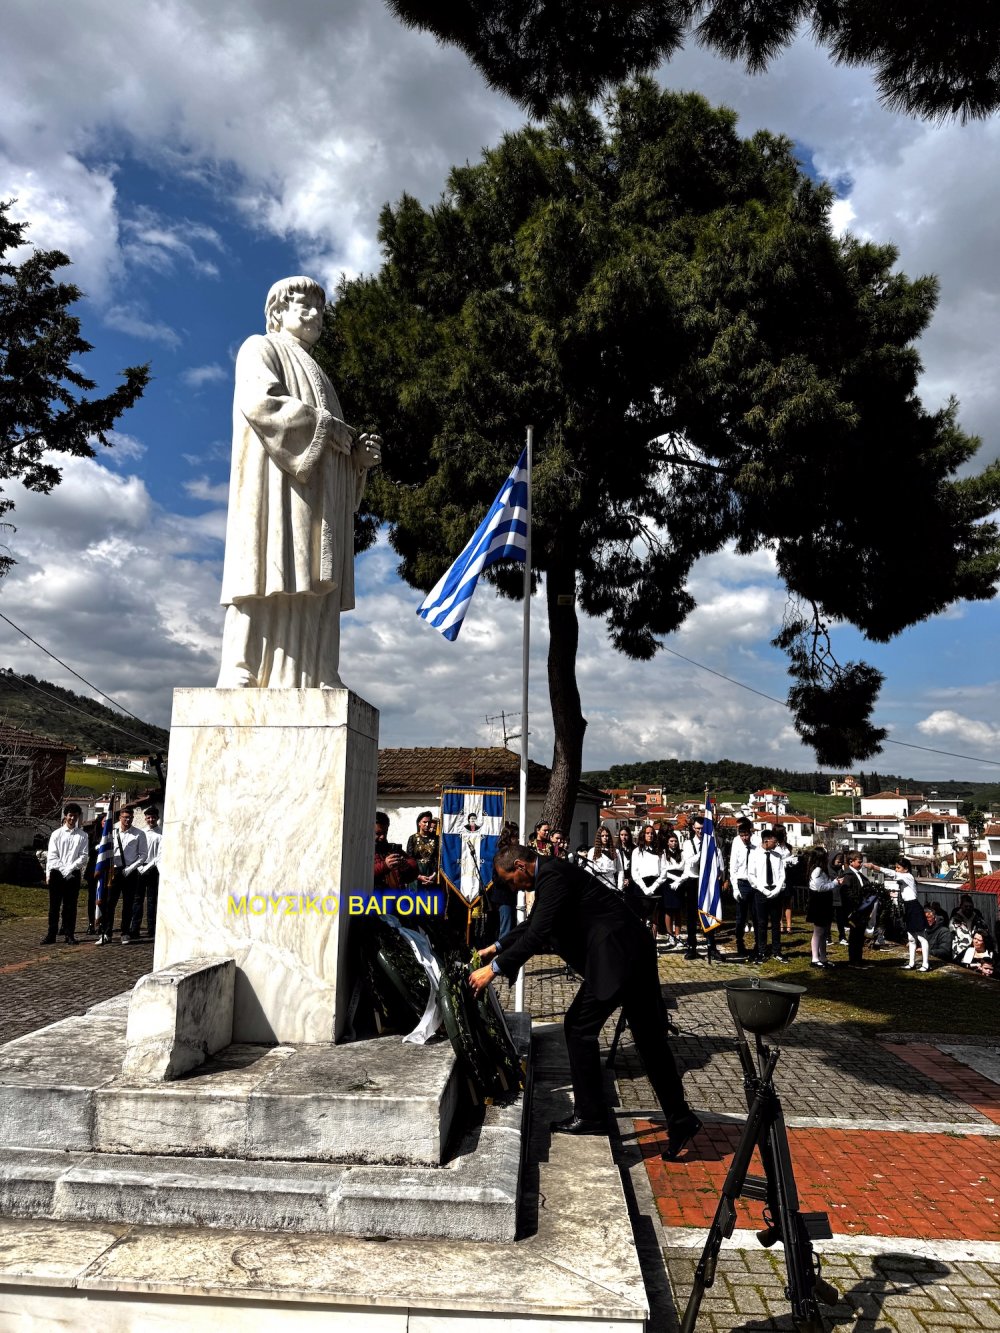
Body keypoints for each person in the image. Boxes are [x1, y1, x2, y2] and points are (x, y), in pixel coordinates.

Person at [469, 842, 701, 1159]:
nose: (512, 887)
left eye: (510, 880)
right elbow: (531, 925)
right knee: (650, 1042)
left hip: (616, 958)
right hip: (630, 953)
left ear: (521, 866)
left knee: (579, 1026)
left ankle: (592, 1115)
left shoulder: (553, 875)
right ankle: (680, 1118)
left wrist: (493, 970)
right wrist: (493, 948)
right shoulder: (550, 873)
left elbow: (538, 934)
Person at [217, 275, 382, 689]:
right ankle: (244, 667)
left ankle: (317, 671)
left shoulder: (321, 375)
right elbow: (262, 403)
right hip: (274, 489)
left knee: (310, 580)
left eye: (320, 308)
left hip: (315, 499)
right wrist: (327, 429)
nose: (314, 314)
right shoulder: (261, 348)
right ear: (277, 313)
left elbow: (334, 445)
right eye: (303, 306)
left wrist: (357, 461)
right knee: (264, 571)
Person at [43, 803, 89, 945]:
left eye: (75, 816)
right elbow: (52, 856)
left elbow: (84, 856)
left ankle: (69, 934)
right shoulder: (56, 834)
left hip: (73, 875)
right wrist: (63, 870)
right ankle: (51, 934)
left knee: (70, 906)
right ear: (65, 816)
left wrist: (71, 868)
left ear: (78, 817)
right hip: (57, 873)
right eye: (70, 815)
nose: (72, 818)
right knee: (54, 906)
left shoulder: (83, 836)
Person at [873, 856, 929, 971]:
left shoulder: (908, 876)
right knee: (911, 938)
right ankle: (911, 963)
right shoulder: (903, 877)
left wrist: (875, 867)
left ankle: (926, 964)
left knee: (921, 937)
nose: (897, 869)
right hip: (907, 907)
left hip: (913, 906)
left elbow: (893, 874)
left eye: (899, 867)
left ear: (906, 868)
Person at [104, 807, 147, 946]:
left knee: (128, 904)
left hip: (130, 871)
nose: (127, 820)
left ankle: (125, 932)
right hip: (114, 871)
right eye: (125, 817)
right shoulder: (112, 832)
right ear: (120, 818)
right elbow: (104, 849)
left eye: (130, 817)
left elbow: (143, 855)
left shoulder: (139, 834)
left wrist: (131, 868)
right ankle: (106, 932)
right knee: (110, 903)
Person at [747, 829, 787, 963]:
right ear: (766, 841)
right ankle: (761, 951)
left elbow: (782, 874)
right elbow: (751, 875)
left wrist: (777, 889)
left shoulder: (777, 855)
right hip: (761, 891)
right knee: (761, 923)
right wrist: (763, 890)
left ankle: (777, 950)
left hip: (775, 890)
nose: (776, 844)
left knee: (776, 923)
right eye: (774, 841)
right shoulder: (754, 855)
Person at [130, 804, 162, 940]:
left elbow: (159, 855)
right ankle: (135, 928)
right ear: (145, 819)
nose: (151, 820)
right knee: (137, 900)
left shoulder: (161, 834)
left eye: (153, 818)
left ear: (157, 818)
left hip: (153, 868)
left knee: (151, 900)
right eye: (148, 818)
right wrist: (139, 866)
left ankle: (152, 928)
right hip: (140, 868)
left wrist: (148, 866)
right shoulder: (141, 833)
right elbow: (137, 852)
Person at [839, 852, 876, 967]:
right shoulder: (848, 875)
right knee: (854, 936)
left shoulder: (859, 875)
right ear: (851, 862)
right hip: (854, 910)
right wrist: (856, 905)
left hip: (862, 910)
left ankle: (858, 958)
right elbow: (846, 892)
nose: (861, 864)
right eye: (859, 862)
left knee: (859, 935)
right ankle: (853, 960)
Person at [630, 824, 667, 938]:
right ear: (643, 835)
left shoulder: (660, 851)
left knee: (654, 918)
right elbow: (634, 872)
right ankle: (643, 944)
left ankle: (653, 944)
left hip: (656, 885)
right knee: (642, 917)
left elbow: (664, 872)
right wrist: (645, 888)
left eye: (651, 833)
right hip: (641, 886)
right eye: (647, 833)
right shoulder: (636, 851)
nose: (650, 835)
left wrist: (653, 887)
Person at [727, 818, 756, 961]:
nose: (744, 838)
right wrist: (735, 887)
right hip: (742, 882)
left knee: (757, 916)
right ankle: (740, 942)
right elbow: (733, 866)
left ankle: (758, 945)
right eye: (742, 835)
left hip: (755, 883)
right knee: (741, 916)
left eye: (747, 835)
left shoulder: (756, 843)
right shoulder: (736, 842)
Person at [805, 847, 837, 969]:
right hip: (819, 903)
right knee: (818, 932)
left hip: (824, 902)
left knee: (824, 932)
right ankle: (815, 958)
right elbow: (820, 887)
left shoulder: (821, 870)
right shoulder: (817, 870)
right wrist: (834, 883)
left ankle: (823, 957)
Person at [373, 812, 418, 891]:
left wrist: (406, 866)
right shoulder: (363, 851)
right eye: (378, 833)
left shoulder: (392, 849)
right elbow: (360, 874)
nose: (382, 837)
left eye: (385, 833)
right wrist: (384, 865)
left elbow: (413, 868)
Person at [658, 828, 685, 948]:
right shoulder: (664, 854)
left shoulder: (682, 853)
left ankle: (678, 935)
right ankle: (670, 935)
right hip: (668, 882)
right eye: (671, 841)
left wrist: (679, 880)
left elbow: (684, 867)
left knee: (678, 910)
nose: (674, 843)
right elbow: (663, 869)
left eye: (675, 841)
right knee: (668, 910)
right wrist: (673, 878)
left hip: (679, 882)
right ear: (667, 842)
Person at [584, 825, 624, 896]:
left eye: (607, 835)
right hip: (597, 882)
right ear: (599, 837)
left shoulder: (616, 851)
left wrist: (620, 888)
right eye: (602, 836)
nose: (605, 838)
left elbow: (620, 870)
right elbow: (589, 870)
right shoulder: (592, 851)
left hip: (611, 882)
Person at [406, 811, 440, 888]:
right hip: (416, 875)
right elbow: (409, 859)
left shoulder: (436, 839)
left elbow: (437, 858)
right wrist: (418, 876)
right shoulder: (413, 838)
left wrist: (434, 874)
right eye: (424, 822)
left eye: (429, 822)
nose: (427, 825)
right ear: (419, 823)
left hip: (431, 874)